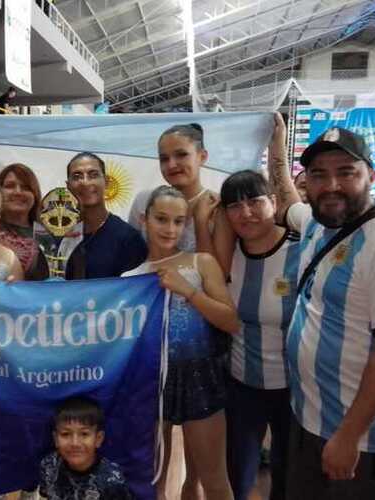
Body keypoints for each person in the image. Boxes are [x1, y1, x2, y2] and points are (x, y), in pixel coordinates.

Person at [267, 115, 375, 500]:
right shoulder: (316, 225)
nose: (331, 185)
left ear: (371, 176)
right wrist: (277, 144)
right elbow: (287, 198)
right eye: (318, 175)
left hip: (358, 441)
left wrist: (349, 437)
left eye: (346, 172)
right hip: (308, 420)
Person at [123, 186, 239, 500]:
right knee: (154, 482)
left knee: (214, 480)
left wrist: (189, 291)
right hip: (151, 384)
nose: (170, 229)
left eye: (178, 221)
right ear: (144, 219)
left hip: (200, 377)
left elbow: (231, 322)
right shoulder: (130, 279)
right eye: (162, 219)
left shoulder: (202, 263)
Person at [197, 170, 301, 500]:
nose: (246, 213)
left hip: (295, 390)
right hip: (242, 387)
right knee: (236, 477)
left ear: (273, 202)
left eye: (255, 202)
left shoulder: (302, 252)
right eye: (235, 206)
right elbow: (205, 273)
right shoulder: (229, 257)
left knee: (289, 478)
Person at [129, 123, 217, 254]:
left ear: (202, 157)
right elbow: (131, 253)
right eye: (164, 158)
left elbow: (217, 271)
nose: (171, 165)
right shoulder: (144, 200)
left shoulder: (217, 205)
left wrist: (201, 221)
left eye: (181, 155)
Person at [61, 152, 146, 280]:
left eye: (93, 175)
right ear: (68, 186)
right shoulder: (59, 235)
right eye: (77, 176)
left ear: (106, 182)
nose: (85, 182)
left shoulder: (128, 239)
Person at [38, 397, 134, 499]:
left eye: (84, 434)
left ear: (98, 439)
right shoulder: (48, 465)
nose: (75, 443)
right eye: (65, 434)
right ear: (56, 439)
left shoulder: (113, 481)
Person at [0, 163, 50, 281]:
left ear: (35, 195)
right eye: (10, 186)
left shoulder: (48, 237)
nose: (18, 192)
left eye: (26, 187)